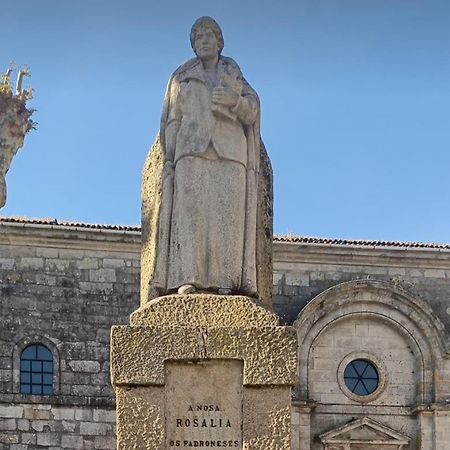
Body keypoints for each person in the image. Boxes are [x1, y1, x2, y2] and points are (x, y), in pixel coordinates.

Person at [150, 16, 263, 297]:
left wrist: (234, 102)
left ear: (219, 42)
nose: (204, 41)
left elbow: (252, 110)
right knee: (191, 217)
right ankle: (189, 277)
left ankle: (226, 280)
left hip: (230, 151)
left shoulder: (234, 74)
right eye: (198, 38)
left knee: (227, 218)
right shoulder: (181, 77)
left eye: (209, 36)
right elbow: (172, 119)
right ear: (193, 46)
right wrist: (170, 157)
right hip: (191, 151)